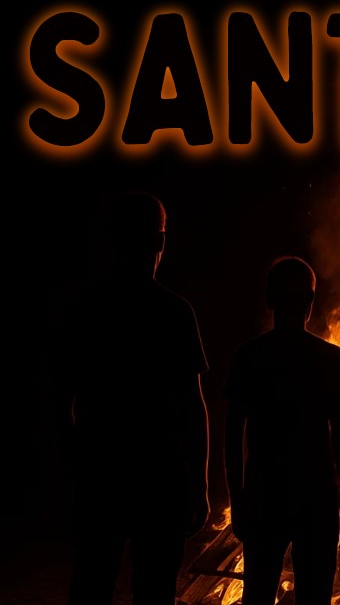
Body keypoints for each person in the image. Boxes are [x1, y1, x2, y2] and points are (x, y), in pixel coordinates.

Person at [55, 192, 210, 605]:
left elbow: (59, 401)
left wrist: (75, 466)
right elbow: (194, 407)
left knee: (92, 583)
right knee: (155, 591)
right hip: (160, 476)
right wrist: (199, 484)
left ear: (112, 238)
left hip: (100, 472)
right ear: (160, 241)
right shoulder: (175, 312)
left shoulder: (85, 309)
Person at [224, 257, 340, 605]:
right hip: (318, 497)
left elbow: (232, 436)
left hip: (264, 493)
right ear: (310, 301)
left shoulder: (249, 356)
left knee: (258, 593)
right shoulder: (330, 359)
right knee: (315, 596)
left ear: (269, 299)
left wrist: (238, 499)